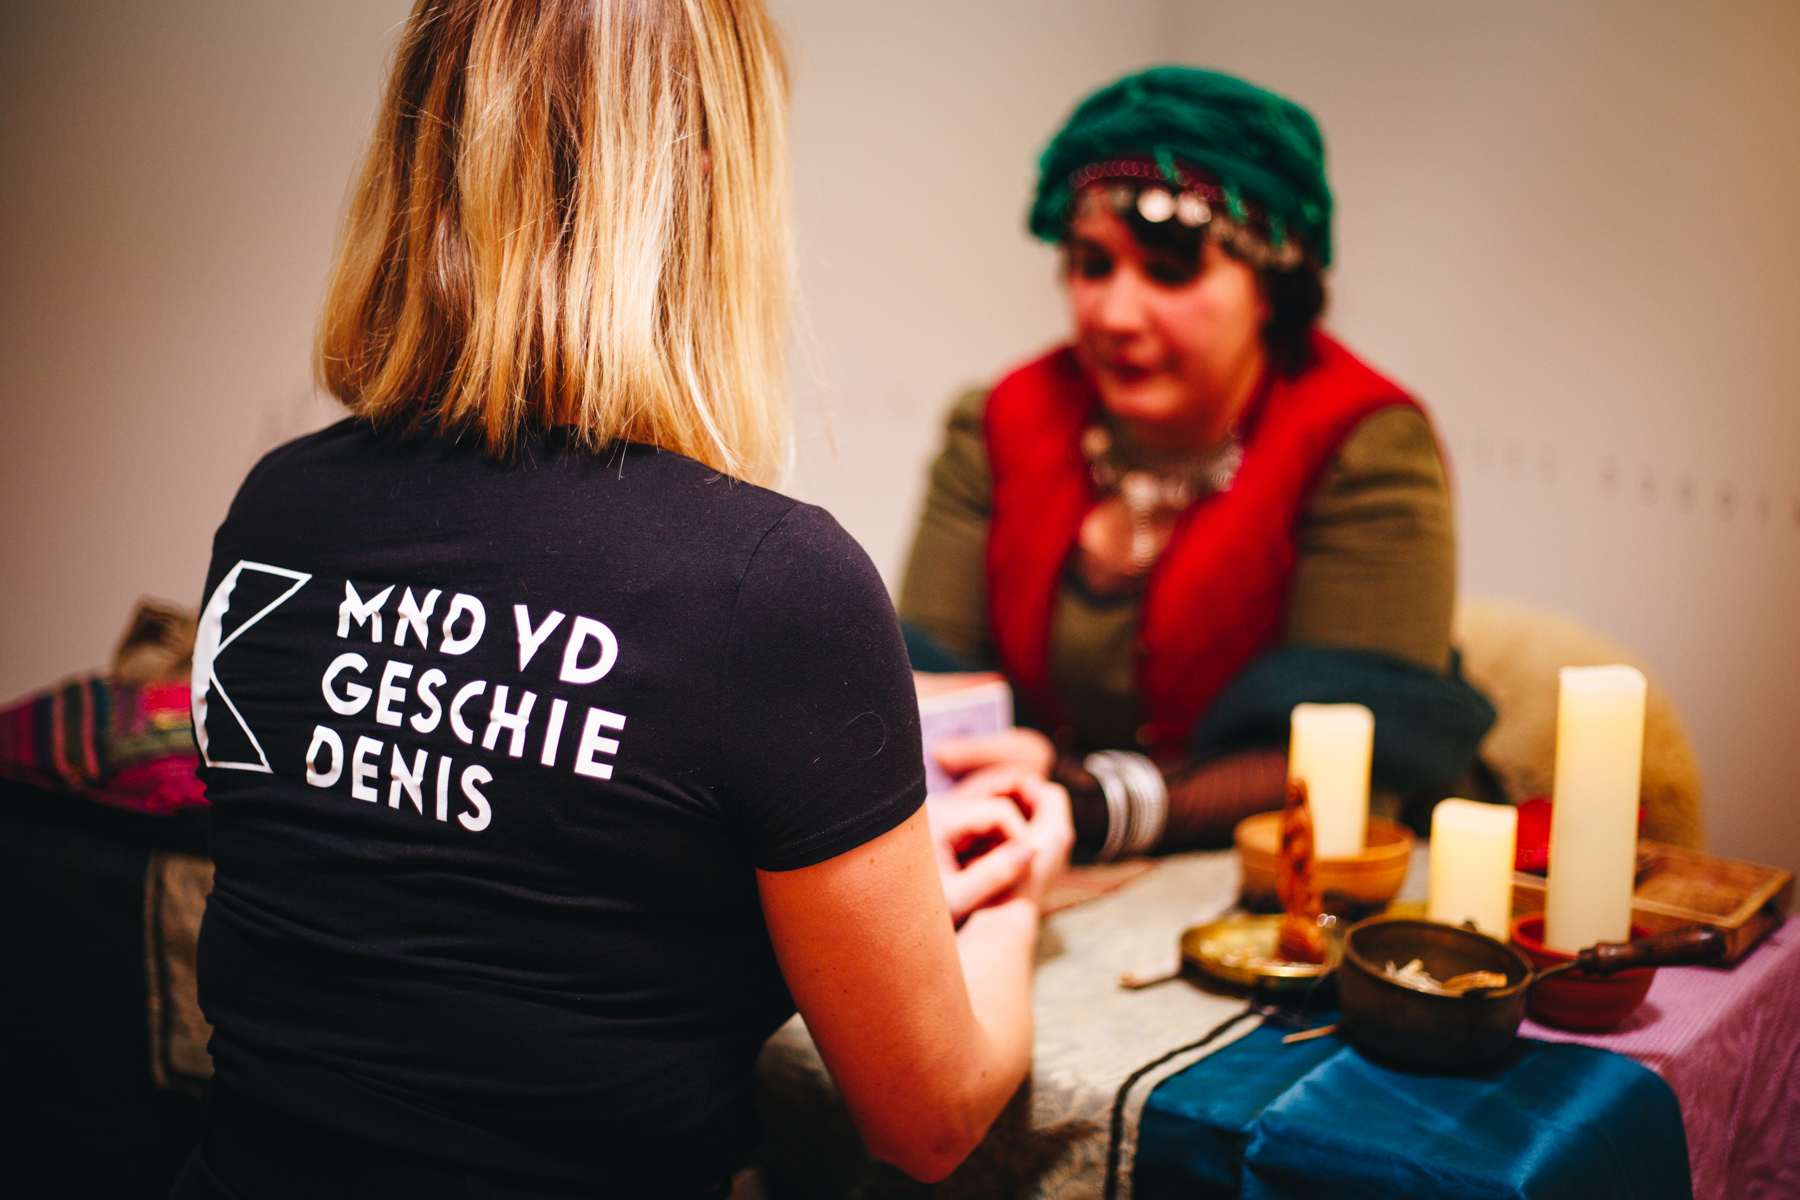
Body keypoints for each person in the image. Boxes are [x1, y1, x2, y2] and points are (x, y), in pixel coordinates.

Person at [174, 3, 1070, 1197]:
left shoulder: (278, 508)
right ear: (705, 180)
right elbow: (929, 1116)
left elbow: (501, 917)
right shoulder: (771, 582)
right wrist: (1018, 896)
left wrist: (880, 909)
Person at [900, 67, 1495, 860]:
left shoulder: (1362, 445)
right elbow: (929, 701)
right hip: (1043, 860)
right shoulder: (996, 424)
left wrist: (1095, 803)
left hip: (1297, 877)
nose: (1115, 315)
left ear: (1272, 285)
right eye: (1092, 264)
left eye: (1171, 271)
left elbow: (1352, 764)